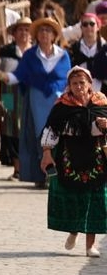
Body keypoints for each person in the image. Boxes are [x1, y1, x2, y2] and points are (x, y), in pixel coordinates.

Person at [40, 67, 107, 258]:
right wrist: (46, 153)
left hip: (97, 160)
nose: (79, 87)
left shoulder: (101, 102)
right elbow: (51, 131)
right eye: (74, 83)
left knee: (94, 201)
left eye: (82, 83)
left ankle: (90, 246)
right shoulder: (62, 106)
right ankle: (73, 231)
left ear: (89, 84)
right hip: (70, 159)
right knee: (75, 199)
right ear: (69, 86)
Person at [2, 17, 70, 188]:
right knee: (40, 137)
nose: (44, 34)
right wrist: (2, 76)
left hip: (57, 100)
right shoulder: (30, 55)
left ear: (54, 35)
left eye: (48, 31)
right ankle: (43, 175)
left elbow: (68, 78)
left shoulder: (63, 55)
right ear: (37, 36)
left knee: (57, 137)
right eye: (41, 31)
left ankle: (53, 175)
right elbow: (19, 75)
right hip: (36, 99)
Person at [0, 17, 33, 179]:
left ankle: (29, 167)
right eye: (20, 29)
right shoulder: (4, 52)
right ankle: (17, 168)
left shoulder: (36, 51)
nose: (24, 33)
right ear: (14, 33)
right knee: (9, 126)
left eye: (27, 29)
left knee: (28, 127)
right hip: (8, 93)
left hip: (29, 92)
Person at [66, 13, 107, 92]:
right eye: (85, 24)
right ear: (81, 28)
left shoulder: (105, 49)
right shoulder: (73, 50)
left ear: (98, 27)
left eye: (92, 24)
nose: (88, 27)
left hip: (103, 94)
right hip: (78, 93)